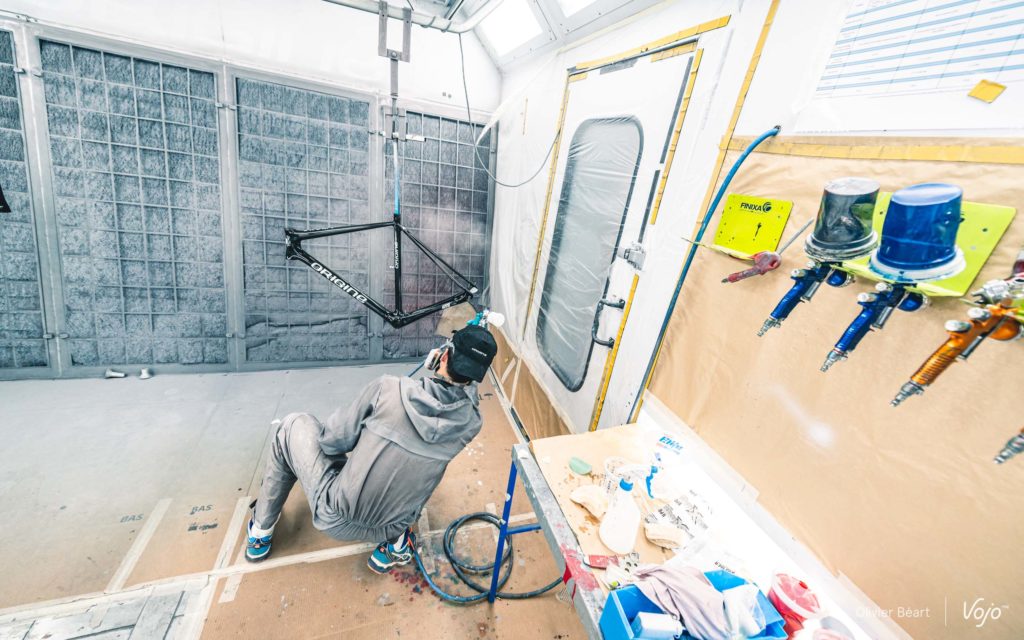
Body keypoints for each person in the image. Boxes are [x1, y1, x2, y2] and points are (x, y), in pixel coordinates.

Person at [245, 324, 498, 574]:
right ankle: (396, 546)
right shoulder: (471, 423)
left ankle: (260, 532)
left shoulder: (386, 388)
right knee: (416, 465)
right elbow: (463, 400)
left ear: (441, 357)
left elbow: (332, 441)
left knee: (292, 426)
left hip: (336, 517)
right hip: (393, 524)